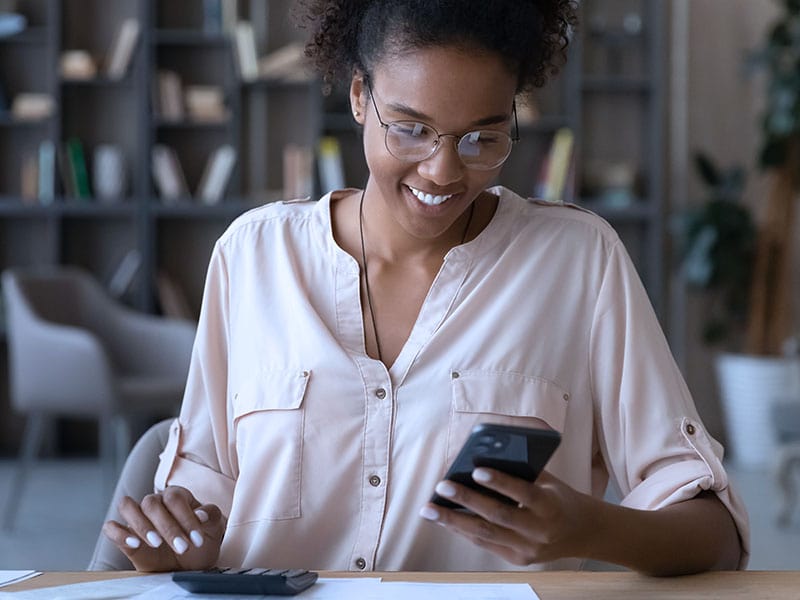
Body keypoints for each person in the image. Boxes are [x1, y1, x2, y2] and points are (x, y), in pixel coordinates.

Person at [103, 0, 749, 575]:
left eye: (482, 138)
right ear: (359, 95)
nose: (443, 170)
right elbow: (196, 507)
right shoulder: (252, 258)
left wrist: (591, 527)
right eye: (410, 127)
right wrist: (172, 541)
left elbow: (716, 533)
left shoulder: (579, 264)